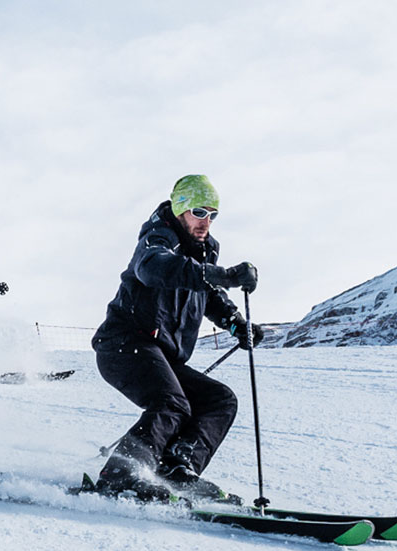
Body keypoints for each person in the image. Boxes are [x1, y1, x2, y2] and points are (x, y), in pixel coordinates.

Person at [89, 175, 265, 501]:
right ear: (181, 207)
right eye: (199, 211)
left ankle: (176, 469)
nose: (206, 222)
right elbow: (153, 268)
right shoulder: (158, 237)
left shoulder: (204, 251)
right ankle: (119, 476)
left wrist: (236, 323)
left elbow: (208, 296)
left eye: (213, 214)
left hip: (159, 353)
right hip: (123, 345)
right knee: (171, 403)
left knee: (219, 400)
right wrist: (219, 274)